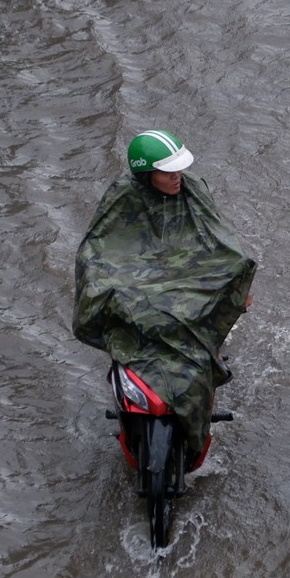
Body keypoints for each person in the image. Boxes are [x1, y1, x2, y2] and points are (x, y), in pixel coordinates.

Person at [72, 130, 255, 450]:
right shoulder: (122, 196)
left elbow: (219, 237)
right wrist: (99, 283)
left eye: (178, 170)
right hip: (138, 281)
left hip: (186, 276)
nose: (176, 177)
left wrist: (235, 282)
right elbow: (99, 247)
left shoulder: (193, 189)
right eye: (167, 172)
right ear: (147, 174)